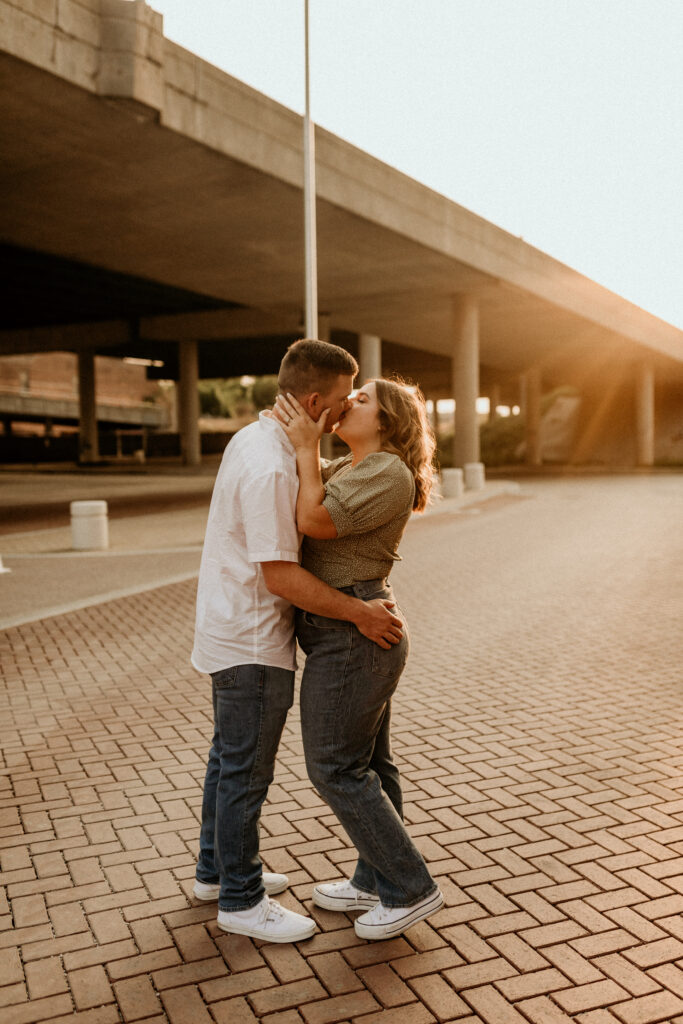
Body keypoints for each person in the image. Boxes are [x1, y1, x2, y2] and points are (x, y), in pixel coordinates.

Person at [190, 339, 403, 944]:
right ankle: (241, 898)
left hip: (233, 626)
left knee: (226, 761)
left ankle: (215, 871)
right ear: (313, 401)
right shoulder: (273, 465)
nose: (340, 415)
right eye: (339, 404)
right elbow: (280, 575)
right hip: (253, 639)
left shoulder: (256, 439)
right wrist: (359, 614)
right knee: (244, 775)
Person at [275, 377, 443, 940]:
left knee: (334, 768)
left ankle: (409, 887)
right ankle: (375, 880)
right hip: (350, 631)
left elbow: (314, 521)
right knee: (370, 767)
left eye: (363, 399)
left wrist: (305, 450)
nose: (351, 403)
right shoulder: (351, 467)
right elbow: (306, 495)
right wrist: (307, 437)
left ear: (389, 421)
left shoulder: (386, 470)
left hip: (354, 633)